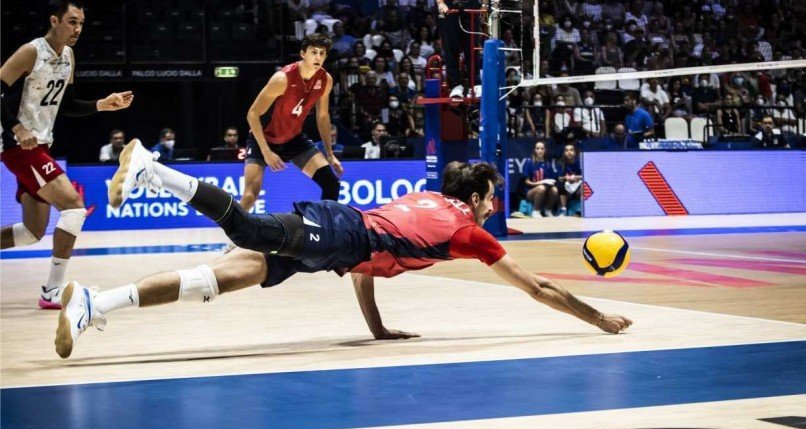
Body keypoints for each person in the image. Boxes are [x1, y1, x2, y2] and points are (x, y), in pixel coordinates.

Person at [55, 141, 632, 358]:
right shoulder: (467, 232)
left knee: (218, 279)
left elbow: (367, 267)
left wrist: (377, 328)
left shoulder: (424, 198)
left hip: (339, 245)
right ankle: (154, 169)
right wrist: (597, 317)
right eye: (489, 201)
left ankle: (93, 306)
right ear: (478, 197)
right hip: (338, 232)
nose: (490, 210)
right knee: (248, 233)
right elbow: (540, 288)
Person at [0, 0, 133, 309]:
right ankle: (52, 292)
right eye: (72, 22)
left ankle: (51, 290)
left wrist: (102, 104)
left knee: (33, 232)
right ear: (54, 21)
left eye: (82, 23)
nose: (78, 29)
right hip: (18, 146)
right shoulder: (31, 51)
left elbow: (67, 105)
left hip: (41, 145)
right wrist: (17, 128)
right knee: (74, 207)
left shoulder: (69, 56)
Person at [240, 33, 343, 215]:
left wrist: (330, 154)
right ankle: (230, 239)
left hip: (294, 139)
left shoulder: (325, 80)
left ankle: (321, 231)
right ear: (303, 53)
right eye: (313, 52)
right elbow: (253, 114)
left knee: (331, 183)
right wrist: (266, 152)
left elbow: (323, 117)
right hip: (263, 139)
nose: (318, 57)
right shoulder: (282, 79)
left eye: (322, 53)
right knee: (250, 196)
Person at [436, 0, 489, 98]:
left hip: (471, 5)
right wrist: (440, 3)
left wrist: (484, 4)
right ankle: (455, 85)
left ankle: (475, 84)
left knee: (472, 46)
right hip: (449, 6)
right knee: (450, 47)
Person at [523, 141, 558, 218]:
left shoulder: (548, 164)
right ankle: (536, 211)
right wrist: (540, 182)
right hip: (531, 192)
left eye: (542, 149)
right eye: (538, 148)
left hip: (545, 190)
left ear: (545, 150)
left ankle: (548, 210)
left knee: (554, 190)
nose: (540, 151)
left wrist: (550, 182)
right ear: (534, 150)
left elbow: (552, 180)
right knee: (541, 188)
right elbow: (526, 182)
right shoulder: (529, 162)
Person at [556, 143, 583, 217]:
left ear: (575, 152)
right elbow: (559, 178)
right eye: (567, 150)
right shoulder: (561, 163)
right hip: (567, 186)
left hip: (578, 185)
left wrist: (576, 177)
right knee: (560, 184)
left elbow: (586, 176)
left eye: (571, 150)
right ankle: (563, 210)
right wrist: (565, 178)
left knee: (585, 186)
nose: (569, 152)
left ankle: (581, 209)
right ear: (564, 153)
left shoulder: (580, 162)